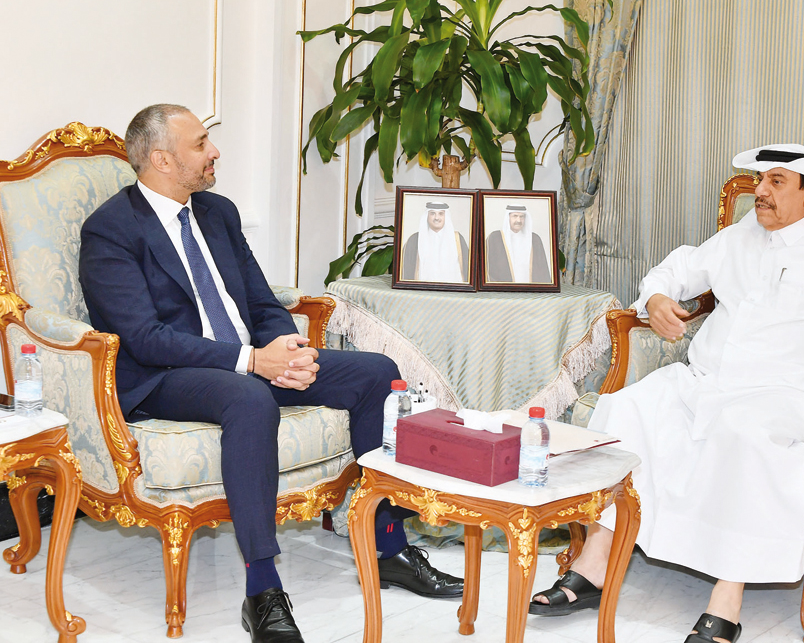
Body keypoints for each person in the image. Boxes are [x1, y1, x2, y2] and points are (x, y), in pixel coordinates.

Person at [79, 104, 462, 643]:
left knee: (376, 372)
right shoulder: (111, 230)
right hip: (166, 377)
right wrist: (255, 363)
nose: (214, 152)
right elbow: (145, 338)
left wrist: (286, 344)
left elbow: (261, 299)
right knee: (248, 399)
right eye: (199, 145)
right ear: (161, 159)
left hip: (248, 360)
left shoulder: (217, 213)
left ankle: (389, 544)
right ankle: (262, 589)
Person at [528, 143, 804, 643]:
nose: (759, 191)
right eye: (760, 181)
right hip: (709, 382)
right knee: (627, 409)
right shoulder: (737, 238)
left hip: (791, 391)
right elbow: (671, 272)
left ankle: (727, 600)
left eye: (776, 183)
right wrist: (656, 298)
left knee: (744, 431)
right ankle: (593, 566)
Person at [400, 201, 470, 283]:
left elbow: (468, 268)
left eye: (441, 214)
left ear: (446, 216)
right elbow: (406, 270)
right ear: (427, 216)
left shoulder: (457, 239)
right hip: (422, 291)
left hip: (453, 291)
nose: (437, 218)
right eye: (432, 213)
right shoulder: (414, 239)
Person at [485, 204, 552, 283]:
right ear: (508, 218)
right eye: (515, 216)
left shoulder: (534, 239)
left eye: (522, 217)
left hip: (530, 291)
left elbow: (543, 269)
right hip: (503, 291)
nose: (518, 220)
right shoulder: (495, 238)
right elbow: (487, 268)